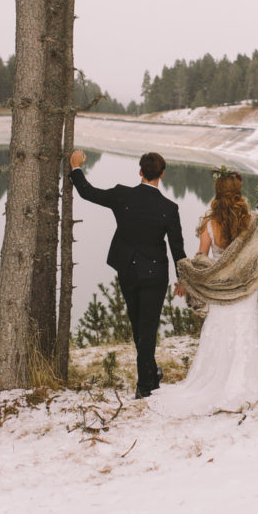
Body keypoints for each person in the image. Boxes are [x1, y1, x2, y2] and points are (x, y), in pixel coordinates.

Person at [150, 167, 258, 417]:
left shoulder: (209, 223)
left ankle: (217, 381)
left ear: (218, 192)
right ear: (238, 191)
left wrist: (187, 281)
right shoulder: (252, 220)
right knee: (244, 330)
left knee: (220, 331)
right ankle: (247, 383)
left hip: (220, 290)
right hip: (244, 288)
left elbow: (201, 261)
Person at [68, 149, 186, 399]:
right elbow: (178, 248)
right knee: (147, 327)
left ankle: (149, 379)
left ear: (140, 172)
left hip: (128, 269)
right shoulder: (169, 207)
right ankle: (146, 383)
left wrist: (76, 167)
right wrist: (182, 280)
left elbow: (88, 193)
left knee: (138, 324)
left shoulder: (123, 195)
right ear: (161, 175)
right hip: (155, 273)